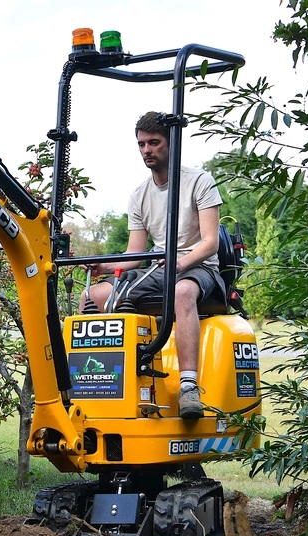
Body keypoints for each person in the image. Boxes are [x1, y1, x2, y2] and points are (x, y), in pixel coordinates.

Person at [83, 111, 222, 418]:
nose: (147, 150)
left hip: (199, 267)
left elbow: (210, 242)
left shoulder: (199, 181)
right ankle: (96, 384)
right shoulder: (139, 195)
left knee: (183, 291)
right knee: (92, 297)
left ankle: (188, 388)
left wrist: (179, 263)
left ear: (171, 143)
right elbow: (135, 254)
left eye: (154, 142)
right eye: (141, 144)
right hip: (159, 269)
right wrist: (104, 268)